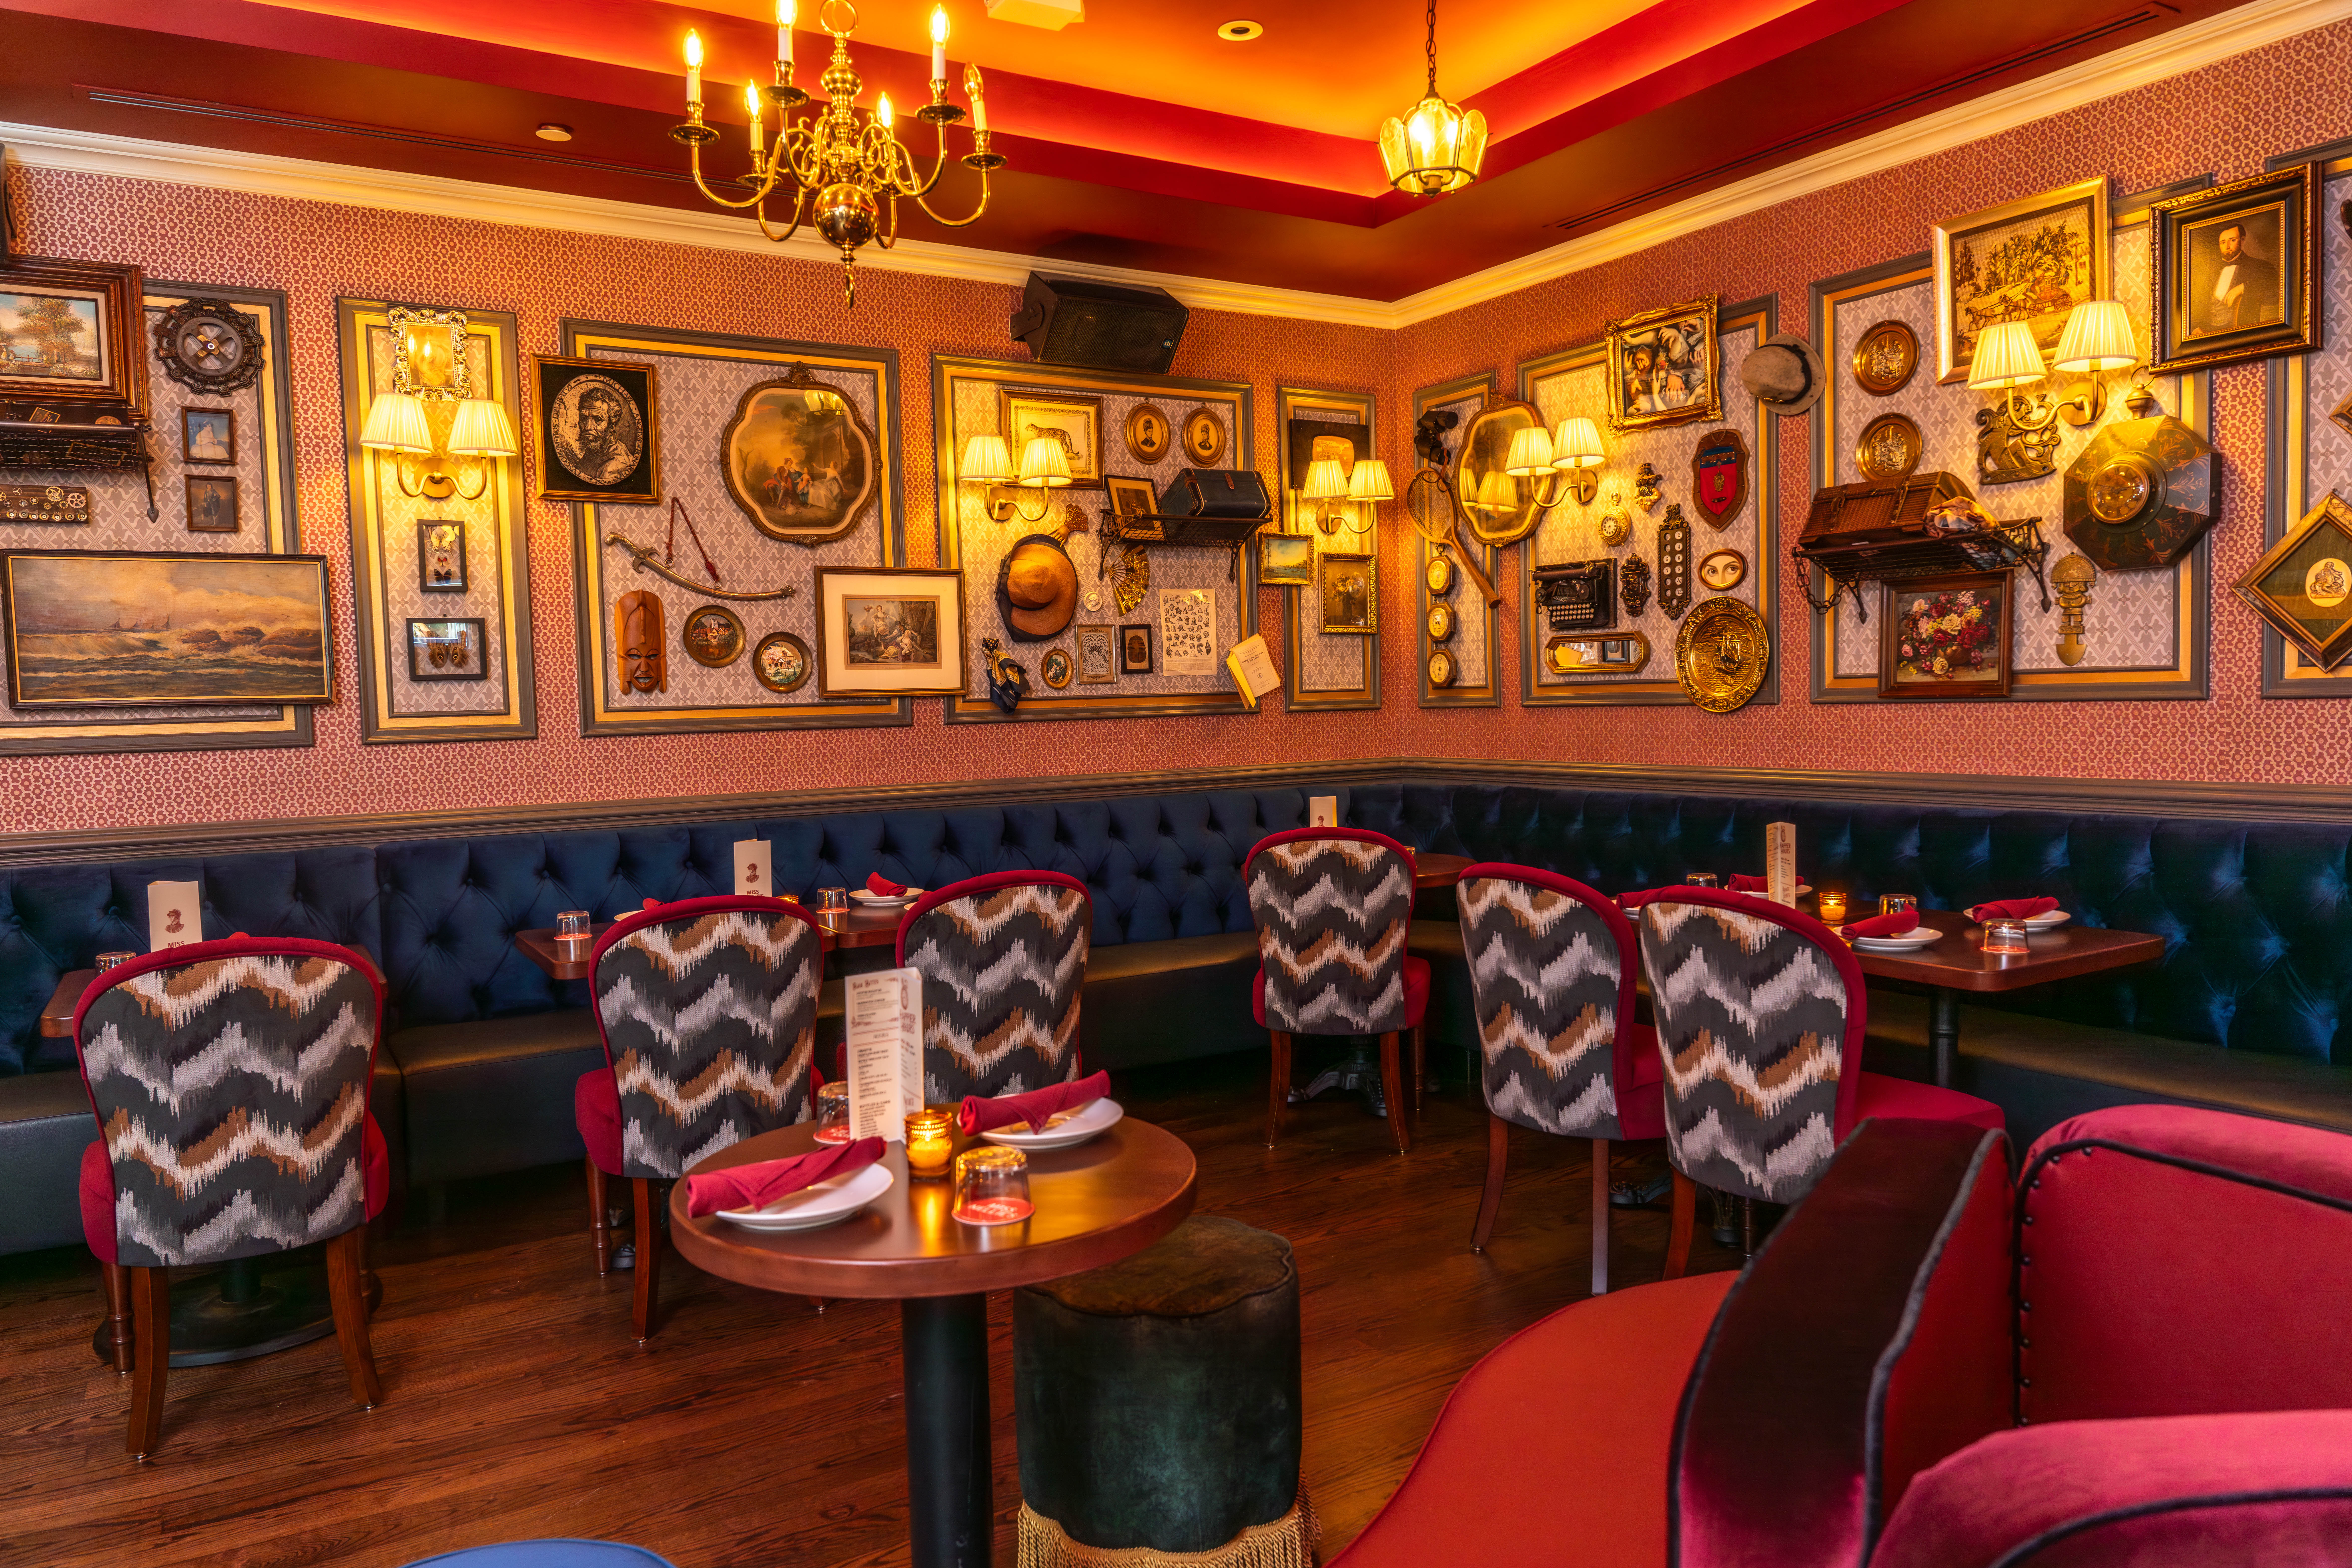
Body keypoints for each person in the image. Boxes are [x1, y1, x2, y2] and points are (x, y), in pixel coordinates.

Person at [2199, 221, 2279, 335]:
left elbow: (2274, 289)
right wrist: (2196, 327)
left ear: (2242, 240)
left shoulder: (2259, 266)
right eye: (2223, 242)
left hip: (2240, 333)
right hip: (2209, 332)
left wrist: (2244, 287)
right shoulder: (2211, 271)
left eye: (2233, 240)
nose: (2227, 246)